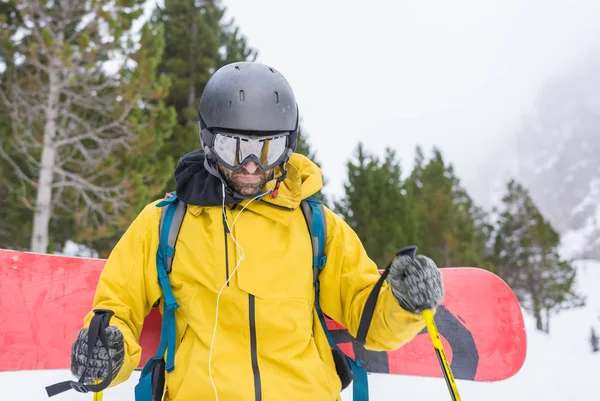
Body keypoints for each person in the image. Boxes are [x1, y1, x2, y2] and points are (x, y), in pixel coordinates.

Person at [68, 61, 444, 401]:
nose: (250, 166)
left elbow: (368, 319)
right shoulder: (166, 224)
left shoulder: (317, 227)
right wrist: (106, 349)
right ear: (208, 142)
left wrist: (403, 302)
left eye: (268, 149)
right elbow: (117, 305)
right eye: (234, 147)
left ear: (288, 145)